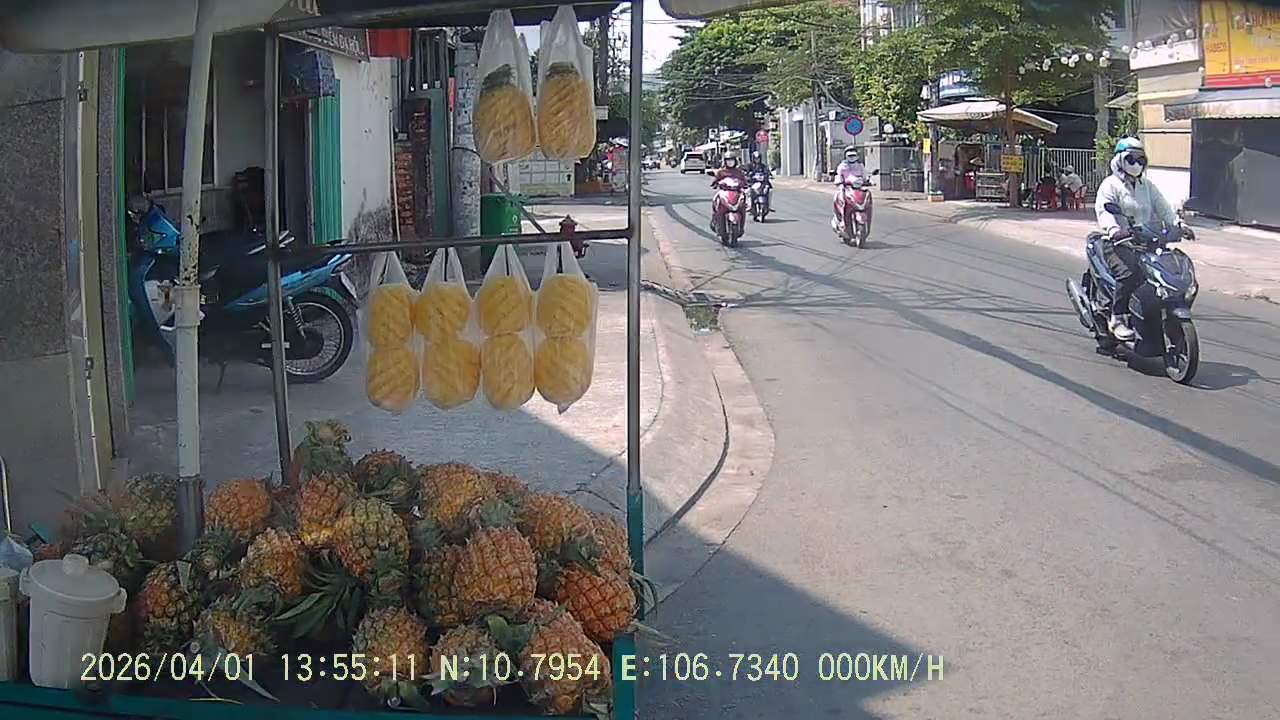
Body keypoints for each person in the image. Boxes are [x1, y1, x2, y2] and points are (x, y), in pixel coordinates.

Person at [1095, 137, 1194, 341]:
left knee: (1171, 270)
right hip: (1118, 243)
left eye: (1141, 160)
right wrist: (1114, 230)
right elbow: (1104, 210)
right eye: (1131, 159)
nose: (1136, 164)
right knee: (1129, 274)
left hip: (1147, 241)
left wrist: (1180, 226)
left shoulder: (1147, 186)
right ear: (1120, 160)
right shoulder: (1110, 185)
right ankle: (1118, 318)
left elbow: (1164, 208)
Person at [832, 146, 869, 231]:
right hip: (846, 188)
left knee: (866, 197)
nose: (852, 157)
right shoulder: (842, 166)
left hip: (858, 188)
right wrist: (839, 182)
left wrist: (868, 180)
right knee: (839, 198)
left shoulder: (860, 166)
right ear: (846, 156)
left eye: (853, 155)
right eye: (850, 155)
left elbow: (864, 176)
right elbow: (838, 175)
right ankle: (841, 220)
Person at [710, 151, 748, 229]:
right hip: (724, 192)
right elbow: (716, 180)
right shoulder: (721, 172)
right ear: (725, 161)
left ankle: (741, 225)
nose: (730, 162)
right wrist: (715, 183)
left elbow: (744, 181)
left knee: (743, 204)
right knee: (715, 199)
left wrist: (745, 185)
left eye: (732, 160)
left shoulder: (739, 172)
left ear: (735, 161)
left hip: (737, 192)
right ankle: (715, 219)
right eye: (728, 160)